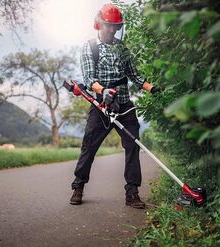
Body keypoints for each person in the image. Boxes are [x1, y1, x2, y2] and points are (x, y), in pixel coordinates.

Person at [70, 3, 160, 209]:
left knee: (133, 145)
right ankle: (78, 186)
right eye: (108, 25)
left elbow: (134, 75)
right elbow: (89, 78)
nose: (112, 30)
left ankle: (132, 192)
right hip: (101, 105)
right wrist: (103, 91)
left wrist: (151, 88)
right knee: (89, 146)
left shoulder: (122, 48)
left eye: (116, 26)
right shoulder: (90, 47)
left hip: (124, 105)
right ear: (99, 24)